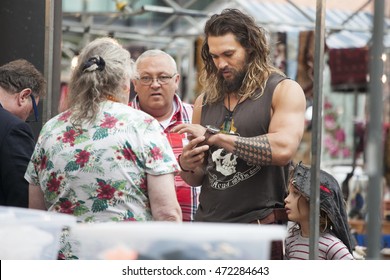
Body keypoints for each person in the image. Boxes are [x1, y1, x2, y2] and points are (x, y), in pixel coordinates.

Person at [171, 9, 306, 258]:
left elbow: (283, 149)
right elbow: (197, 178)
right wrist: (188, 165)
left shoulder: (283, 89)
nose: (221, 63)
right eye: (214, 56)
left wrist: (216, 137)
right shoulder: (204, 101)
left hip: (257, 230)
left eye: (228, 54)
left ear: (251, 48)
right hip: (207, 228)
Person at [26, 37, 182, 224]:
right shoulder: (143, 126)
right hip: (122, 251)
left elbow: (35, 213)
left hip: (63, 252)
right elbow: (167, 214)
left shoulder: (51, 129)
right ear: (125, 82)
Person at [130, 49, 200, 222]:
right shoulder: (121, 124)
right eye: (146, 78)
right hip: (140, 232)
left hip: (194, 228)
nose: (155, 84)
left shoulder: (196, 118)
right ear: (135, 84)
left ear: (176, 80)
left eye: (163, 77)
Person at [284, 162, 354, 260]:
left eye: (295, 193)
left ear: (315, 202)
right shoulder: (290, 241)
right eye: (288, 193)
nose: (286, 199)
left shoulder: (332, 247)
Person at [0, 59, 46, 207]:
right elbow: (22, 196)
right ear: (24, 96)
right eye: (31, 111)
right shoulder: (14, 128)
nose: (27, 118)